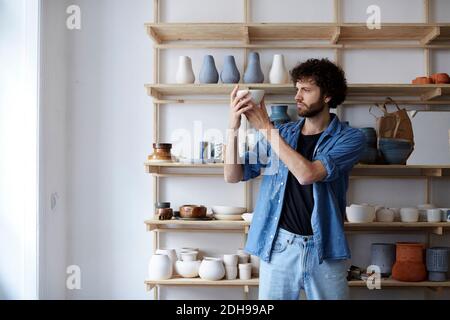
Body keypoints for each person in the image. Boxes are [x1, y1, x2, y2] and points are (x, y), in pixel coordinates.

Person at [224, 58, 366, 300]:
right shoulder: (283, 134)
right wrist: (233, 126)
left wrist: (266, 128)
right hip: (279, 246)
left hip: (326, 251)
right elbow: (232, 175)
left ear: (328, 96)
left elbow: (307, 174)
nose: (297, 96)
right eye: (297, 89)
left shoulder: (352, 138)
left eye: (306, 90)